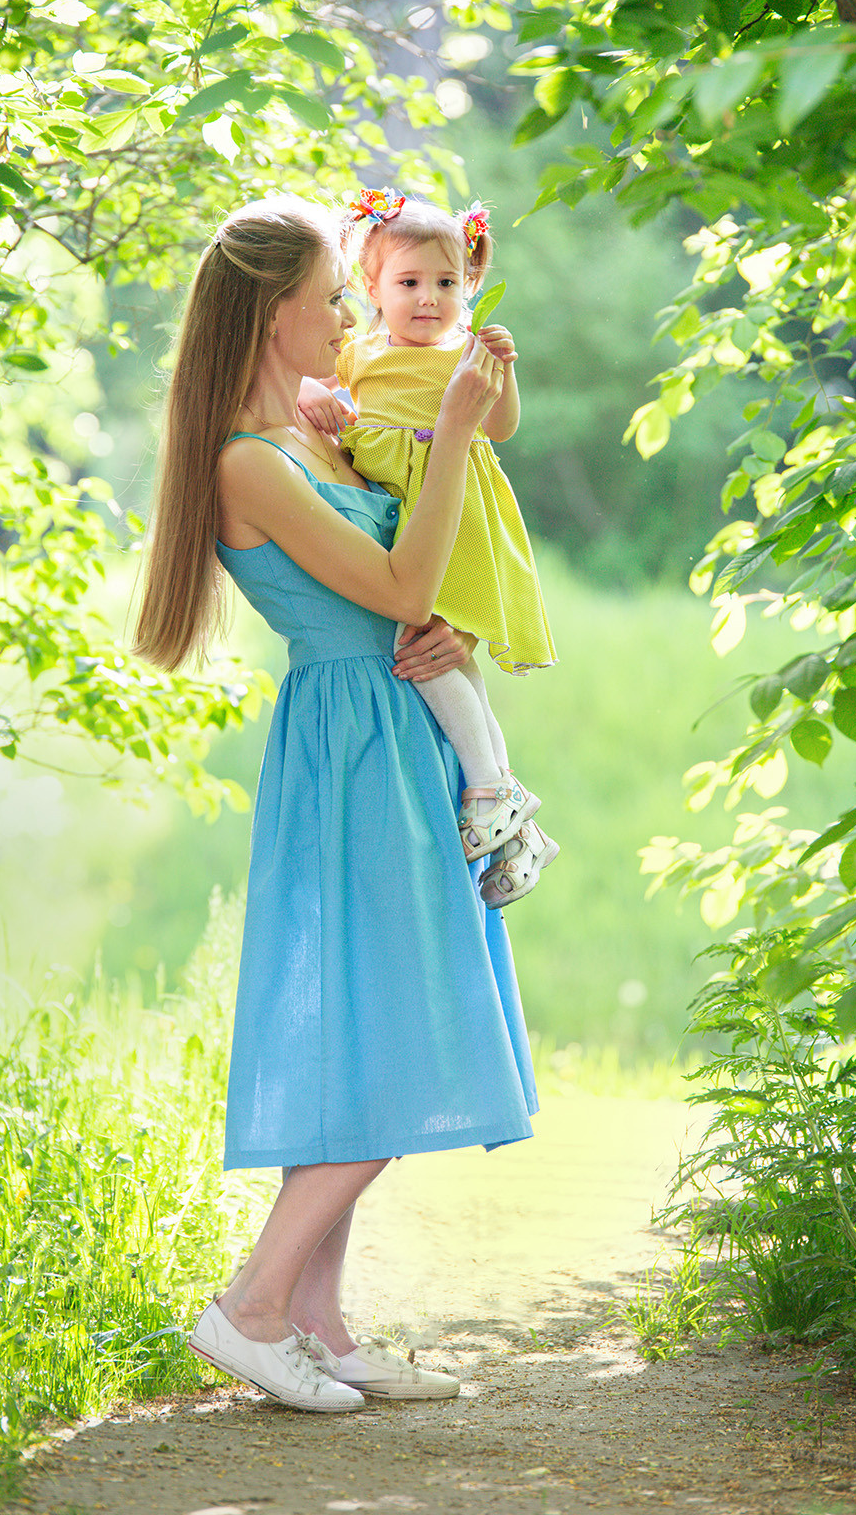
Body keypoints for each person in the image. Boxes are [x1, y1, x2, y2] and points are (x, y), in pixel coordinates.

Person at [132, 195, 539, 1415]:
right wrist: (458, 431)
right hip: (352, 748)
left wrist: (453, 619)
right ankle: (249, 1308)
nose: (352, 316)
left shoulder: (315, 436)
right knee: (408, 1028)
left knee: (374, 1020)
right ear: (272, 314)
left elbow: (414, 591)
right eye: (328, 300)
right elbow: (400, 569)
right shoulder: (247, 464)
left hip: (394, 725)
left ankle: (319, 1321)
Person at [296, 187, 558, 908]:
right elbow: (310, 388)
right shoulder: (357, 352)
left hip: (451, 516)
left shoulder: (464, 354)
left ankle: (486, 787)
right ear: (371, 288)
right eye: (408, 283)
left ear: (467, 284)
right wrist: (308, 397)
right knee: (443, 651)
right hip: (398, 512)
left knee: (429, 641)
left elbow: (499, 429)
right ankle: (509, 812)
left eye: (446, 282)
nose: (427, 299)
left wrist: (502, 372)